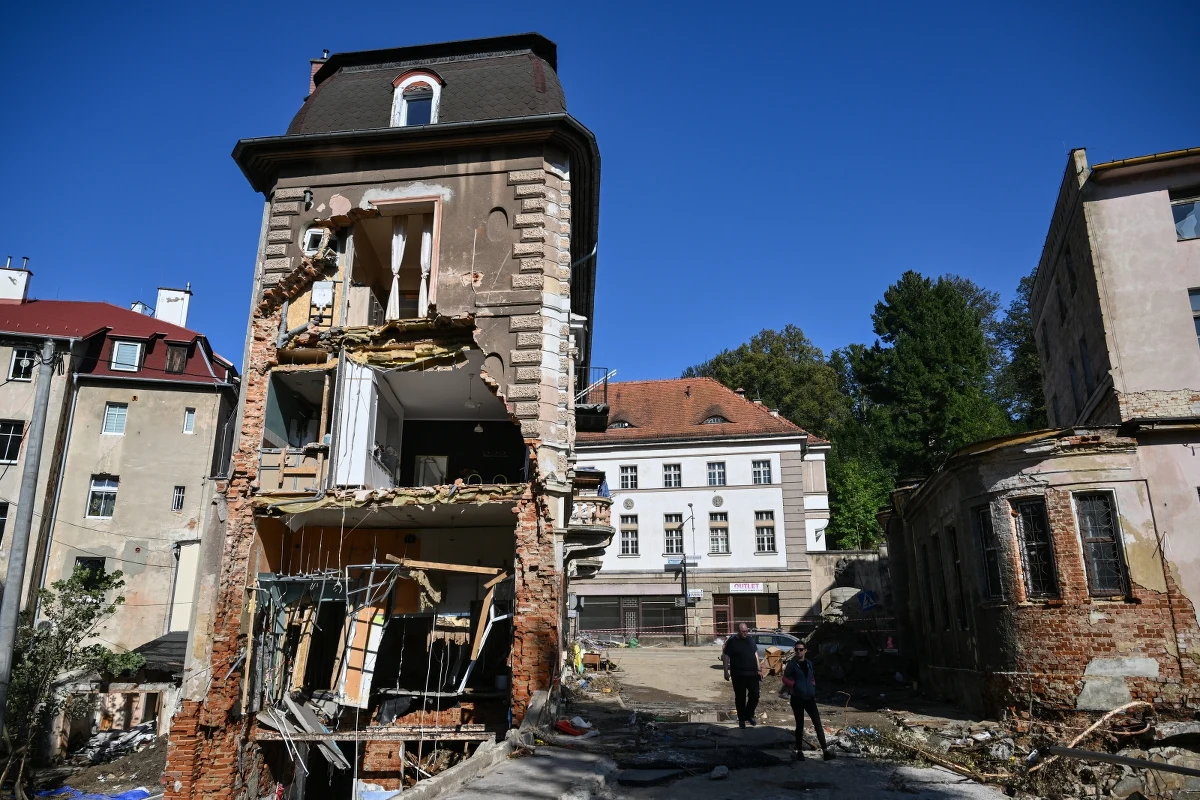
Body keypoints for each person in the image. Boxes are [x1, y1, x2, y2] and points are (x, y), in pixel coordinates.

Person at [784, 640, 832, 760]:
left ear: (805, 651)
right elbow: (784, 678)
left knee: (817, 724)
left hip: (809, 698)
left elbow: (812, 677)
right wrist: (793, 686)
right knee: (800, 725)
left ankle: (825, 751)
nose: (798, 652)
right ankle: (800, 752)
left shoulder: (809, 663)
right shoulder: (792, 664)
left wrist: (813, 685)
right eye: (796, 650)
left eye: (801, 649)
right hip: (797, 699)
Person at [722, 623, 761, 728]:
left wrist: (759, 668)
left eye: (746, 631)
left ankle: (749, 714)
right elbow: (726, 657)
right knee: (740, 698)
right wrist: (726, 671)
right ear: (738, 631)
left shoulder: (750, 640)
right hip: (738, 674)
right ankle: (742, 719)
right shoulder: (732, 642)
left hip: (752, 673)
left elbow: (755, 654)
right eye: (743, 632)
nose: (745, 633)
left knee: (755, 695)